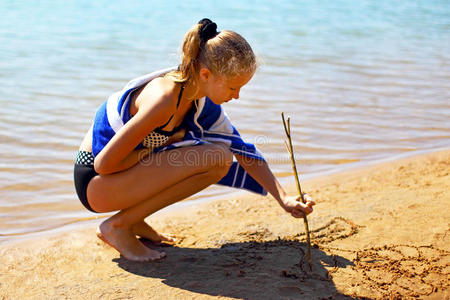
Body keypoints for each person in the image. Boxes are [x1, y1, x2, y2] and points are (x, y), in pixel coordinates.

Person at [74, 18, 315, 262]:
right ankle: (117, 227)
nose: (238, 96)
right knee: (217, 157)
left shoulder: (198, 100)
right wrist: (165, 144)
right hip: (94, 183)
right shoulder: (164, 99)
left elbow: (243, 150)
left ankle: (133, 220)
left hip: (115, 178)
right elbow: (103, 164)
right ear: (206, 74)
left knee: (219, 158)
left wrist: (284, 198)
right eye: (233, 88)